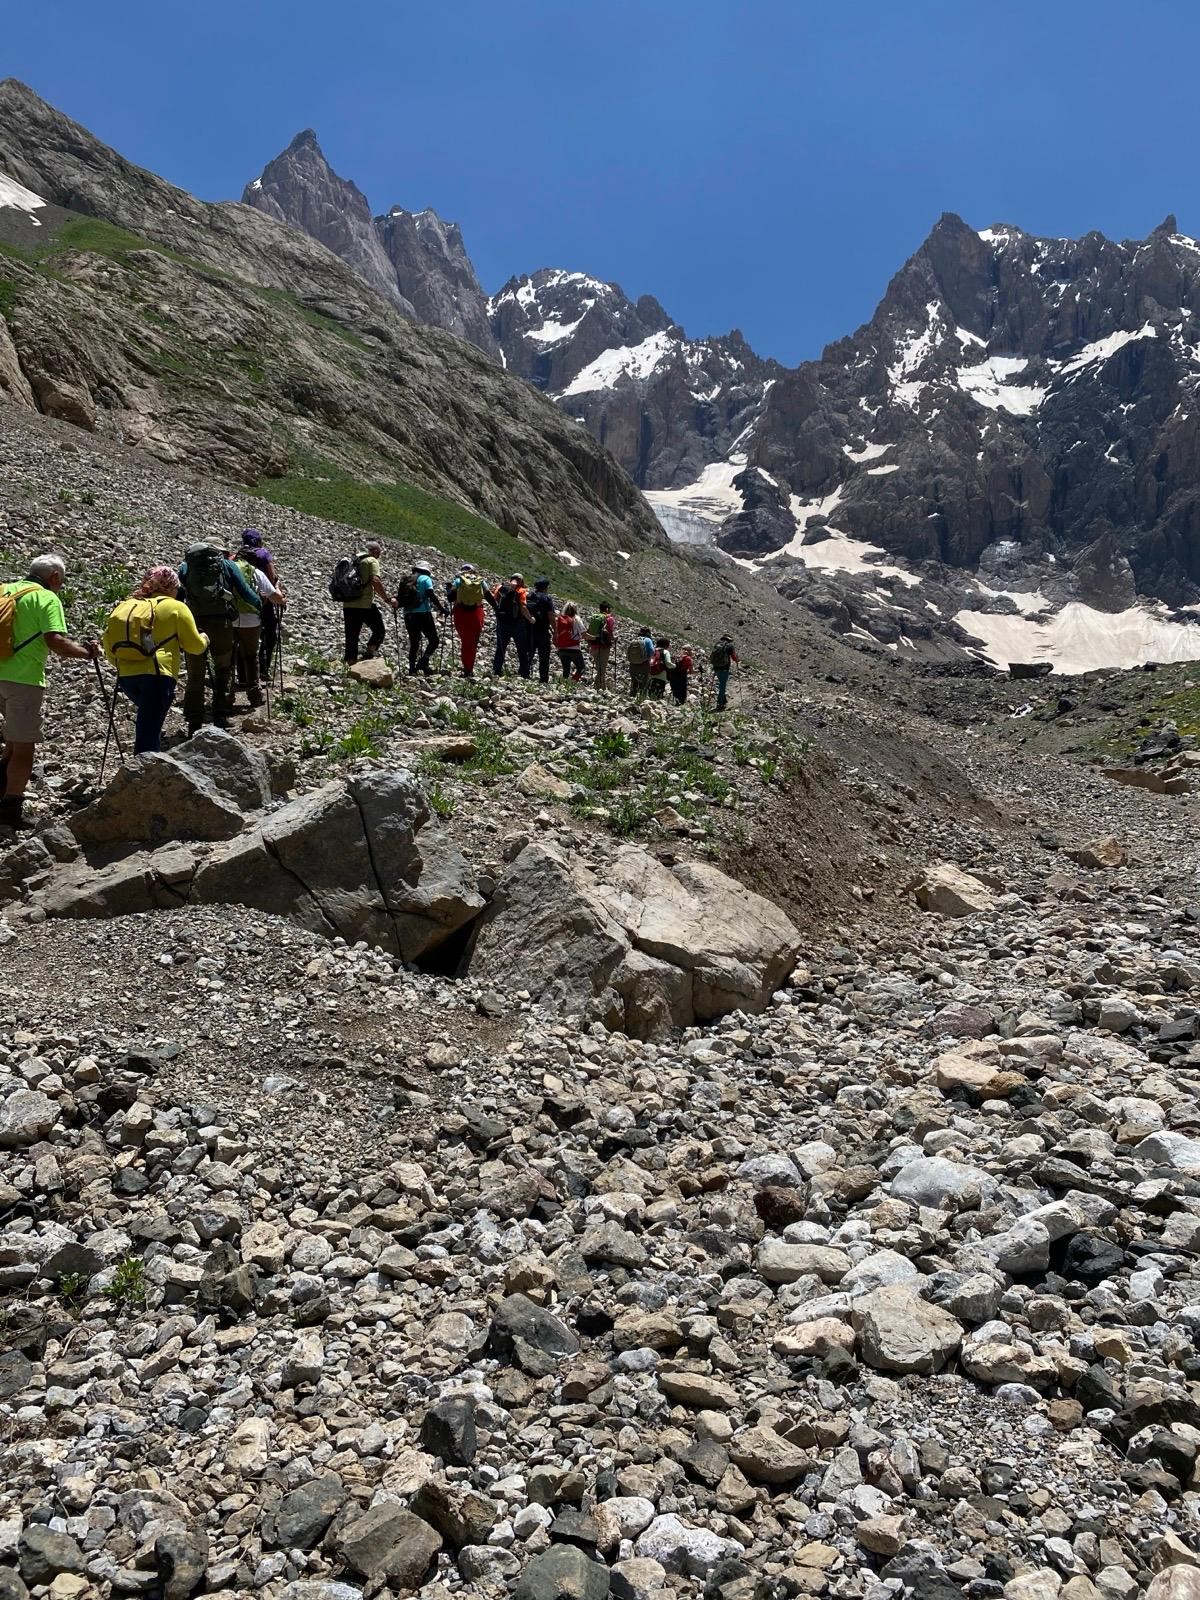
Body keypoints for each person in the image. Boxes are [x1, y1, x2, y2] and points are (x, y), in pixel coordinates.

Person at [0, 554, 100, 830]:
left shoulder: (4, 589)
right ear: (54, 577)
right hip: (23, 679)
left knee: (10, 739)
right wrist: (86, 653)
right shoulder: (46, 599)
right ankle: (10, 808)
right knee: (23, 747)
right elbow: (55, 641)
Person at [102, 566, 209, 754]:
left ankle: (147, 768)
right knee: (148, 732)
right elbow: (195, 647)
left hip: (126, 677)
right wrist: (205, 639)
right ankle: (144, 775)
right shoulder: (175, 607)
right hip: (158, 675)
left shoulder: (127, 606)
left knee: (148, 724)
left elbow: (108, 646)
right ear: (171, 586)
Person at [178, 542, 260, 733]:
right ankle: (220, 716)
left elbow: (179, 593)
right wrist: (259, 606)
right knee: (223, 668)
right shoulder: (226, 565)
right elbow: (245, 592)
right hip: (221, 624)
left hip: (194, 624)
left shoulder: (185, 566)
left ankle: (194, 720)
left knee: (195, 673)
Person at [232, 544, 284, 708]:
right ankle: (254, 695)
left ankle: (225, 696)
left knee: (228, 656)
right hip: (251, 620)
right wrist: (282, 597)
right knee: (251, 655)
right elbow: (275, 597)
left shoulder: (227, 570)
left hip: (229, 618)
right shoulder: (256, 572)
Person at [240, 529, 285, 679]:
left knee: (242, 637)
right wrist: (278, 594)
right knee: (269, 633)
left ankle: (242, 674)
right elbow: (272, 577)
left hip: (243, 600)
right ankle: (264, 669)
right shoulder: (263, 554)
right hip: (264, 599)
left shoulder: (238, 555)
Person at [341, 540, 394, 665]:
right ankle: (370, 652)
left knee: (351, 634)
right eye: (379, 552)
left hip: (348, 603)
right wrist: (386, 598)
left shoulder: (352, 560)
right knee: (379, 629)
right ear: (375, 551)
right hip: (364, 603)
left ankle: (351, 662)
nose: (379, 555)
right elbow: (375, 580)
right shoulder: (371, 561)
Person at [397, 560, 445, 677]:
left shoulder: (407, 580)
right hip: (423, 613)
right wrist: (441, 608)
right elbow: (430, 593)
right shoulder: (425, 578)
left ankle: (412, 668)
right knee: (434, 640)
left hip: (408, 614)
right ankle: (423, 661)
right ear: (427, 570)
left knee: (414, 642)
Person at [490, 572, 532, 678]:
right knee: (522, 648)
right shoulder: (521, 591)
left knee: (501, 647)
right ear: (521, 581)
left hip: (503, 622)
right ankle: (524, 673)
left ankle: (496, 670)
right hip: (518, 624)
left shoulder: (500, 588)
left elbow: (494, 601)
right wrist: (531, 619)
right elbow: (523, 607)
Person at [448, 561, 486, 677]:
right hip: (476, 613)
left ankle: (466, 667)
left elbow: (450, 598)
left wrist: (448, 589)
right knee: (472, 642)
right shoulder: (480, 581)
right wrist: (497, 609)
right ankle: (469, 668)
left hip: (460, 612)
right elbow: (488, 595)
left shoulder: (458, 580)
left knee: (465, 640)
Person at [527, 578, 557, 684]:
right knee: (544, 657)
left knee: (528, 653)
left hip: (529, 629)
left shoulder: (529, 596)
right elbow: (550, 616)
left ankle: (524, 674)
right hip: (543, 630)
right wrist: (555, 631)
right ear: (545, 587)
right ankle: (543, 679)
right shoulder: (546, 598)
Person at [585, 600, 616, 689]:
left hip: (594, 644)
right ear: (607, 609)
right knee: (602, 668)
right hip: (604, 646)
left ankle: (602, 687)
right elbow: (610, 631)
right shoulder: (609, 618)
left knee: (599, 667)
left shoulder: (595, 617)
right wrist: (614, 638)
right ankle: (597, 688)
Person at [555, 604, 585, 681]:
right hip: (574, 648)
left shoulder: (561, 619)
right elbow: (583, 633)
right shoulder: (576, 618)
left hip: (562, 648)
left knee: (566, 670)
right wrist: (593, 638)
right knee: (581, 668)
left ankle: (564, 686)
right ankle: (573, 681)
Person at [710, 634, 739, 710]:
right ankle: (719, 703)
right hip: (724, 668)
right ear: (729, 640)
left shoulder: (717, 645)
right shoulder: (729, 646)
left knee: (721, 683)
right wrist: (737, 660)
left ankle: (724, 701)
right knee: (722, 686)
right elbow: (733, 657)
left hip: (716, 667)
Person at [627, 627, 654, 697]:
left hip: (633, 664)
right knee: (644, 683)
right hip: (644, 664)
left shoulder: (635, 640)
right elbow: (652, 651)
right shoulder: (648, 640)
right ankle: (642, 698)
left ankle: (631, 697)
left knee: (634, 682)